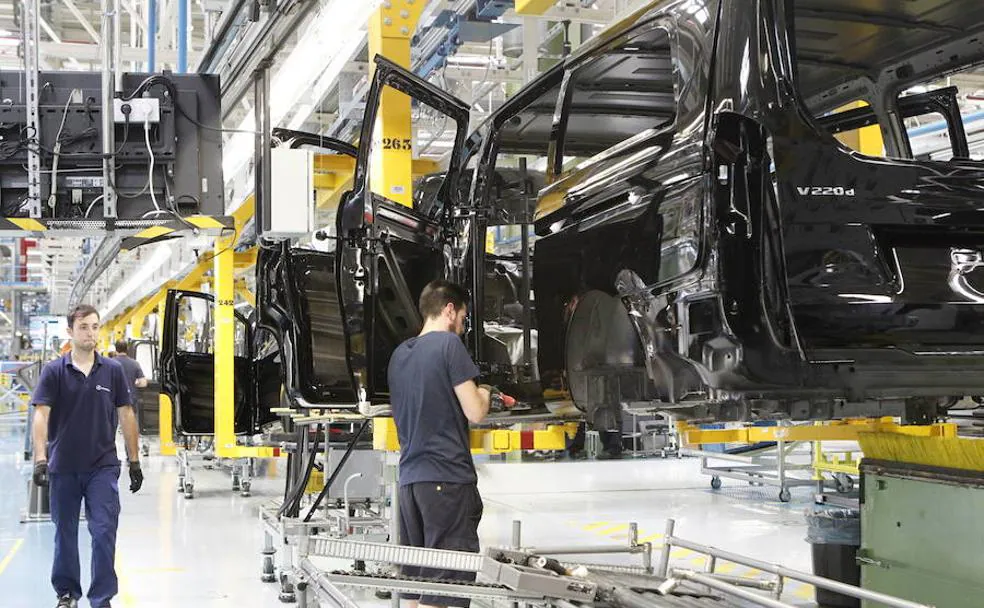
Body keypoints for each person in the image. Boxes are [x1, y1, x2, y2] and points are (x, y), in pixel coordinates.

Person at [388, 279, 513, 608]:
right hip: (446, 479)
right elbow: (475, 411)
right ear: (448, 310)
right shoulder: (448, 345)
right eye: (463, 318)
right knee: (447, 587)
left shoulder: (399, 355)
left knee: (416, 586)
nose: (462, 327)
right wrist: (487, 392)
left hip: (411, 484)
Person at [31, 304, 144, 608]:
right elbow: (41, 415)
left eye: (95, 326)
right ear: (70, 331)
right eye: (83, 327)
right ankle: (67, 593)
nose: (90, 333)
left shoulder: (113, 370)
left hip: (102, 466)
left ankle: (101, 598)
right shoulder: (55, 371)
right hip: (63, 466)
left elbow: (126, 414)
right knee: (65, 532)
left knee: (104, 530)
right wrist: (41, 460)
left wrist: (134, 461)